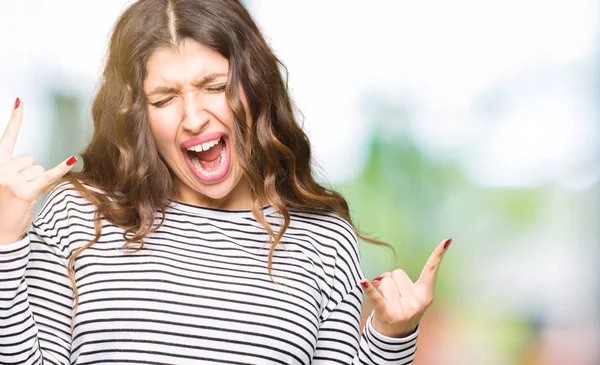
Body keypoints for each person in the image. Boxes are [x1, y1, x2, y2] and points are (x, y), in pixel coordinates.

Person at [0, 0, 451, 363]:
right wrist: (4, 240)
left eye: (214, 86)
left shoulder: (322, 241)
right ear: (138, 114)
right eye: (165, 98)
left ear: (254, 87)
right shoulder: (80, 214)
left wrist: (393, 336)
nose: (194, 118)